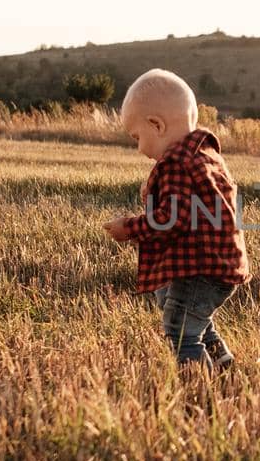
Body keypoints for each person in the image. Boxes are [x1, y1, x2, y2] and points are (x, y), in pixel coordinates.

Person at [106, 69, 249, 370]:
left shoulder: (177, 165)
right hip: (217, 263)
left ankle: (198, 391)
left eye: (137, 137)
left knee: (179, 329)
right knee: (185, 311)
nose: (138, 148)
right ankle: (222, 363)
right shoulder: (204, 154)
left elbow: (171, 220)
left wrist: (129, 228)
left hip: (202, 268)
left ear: (156, 125)